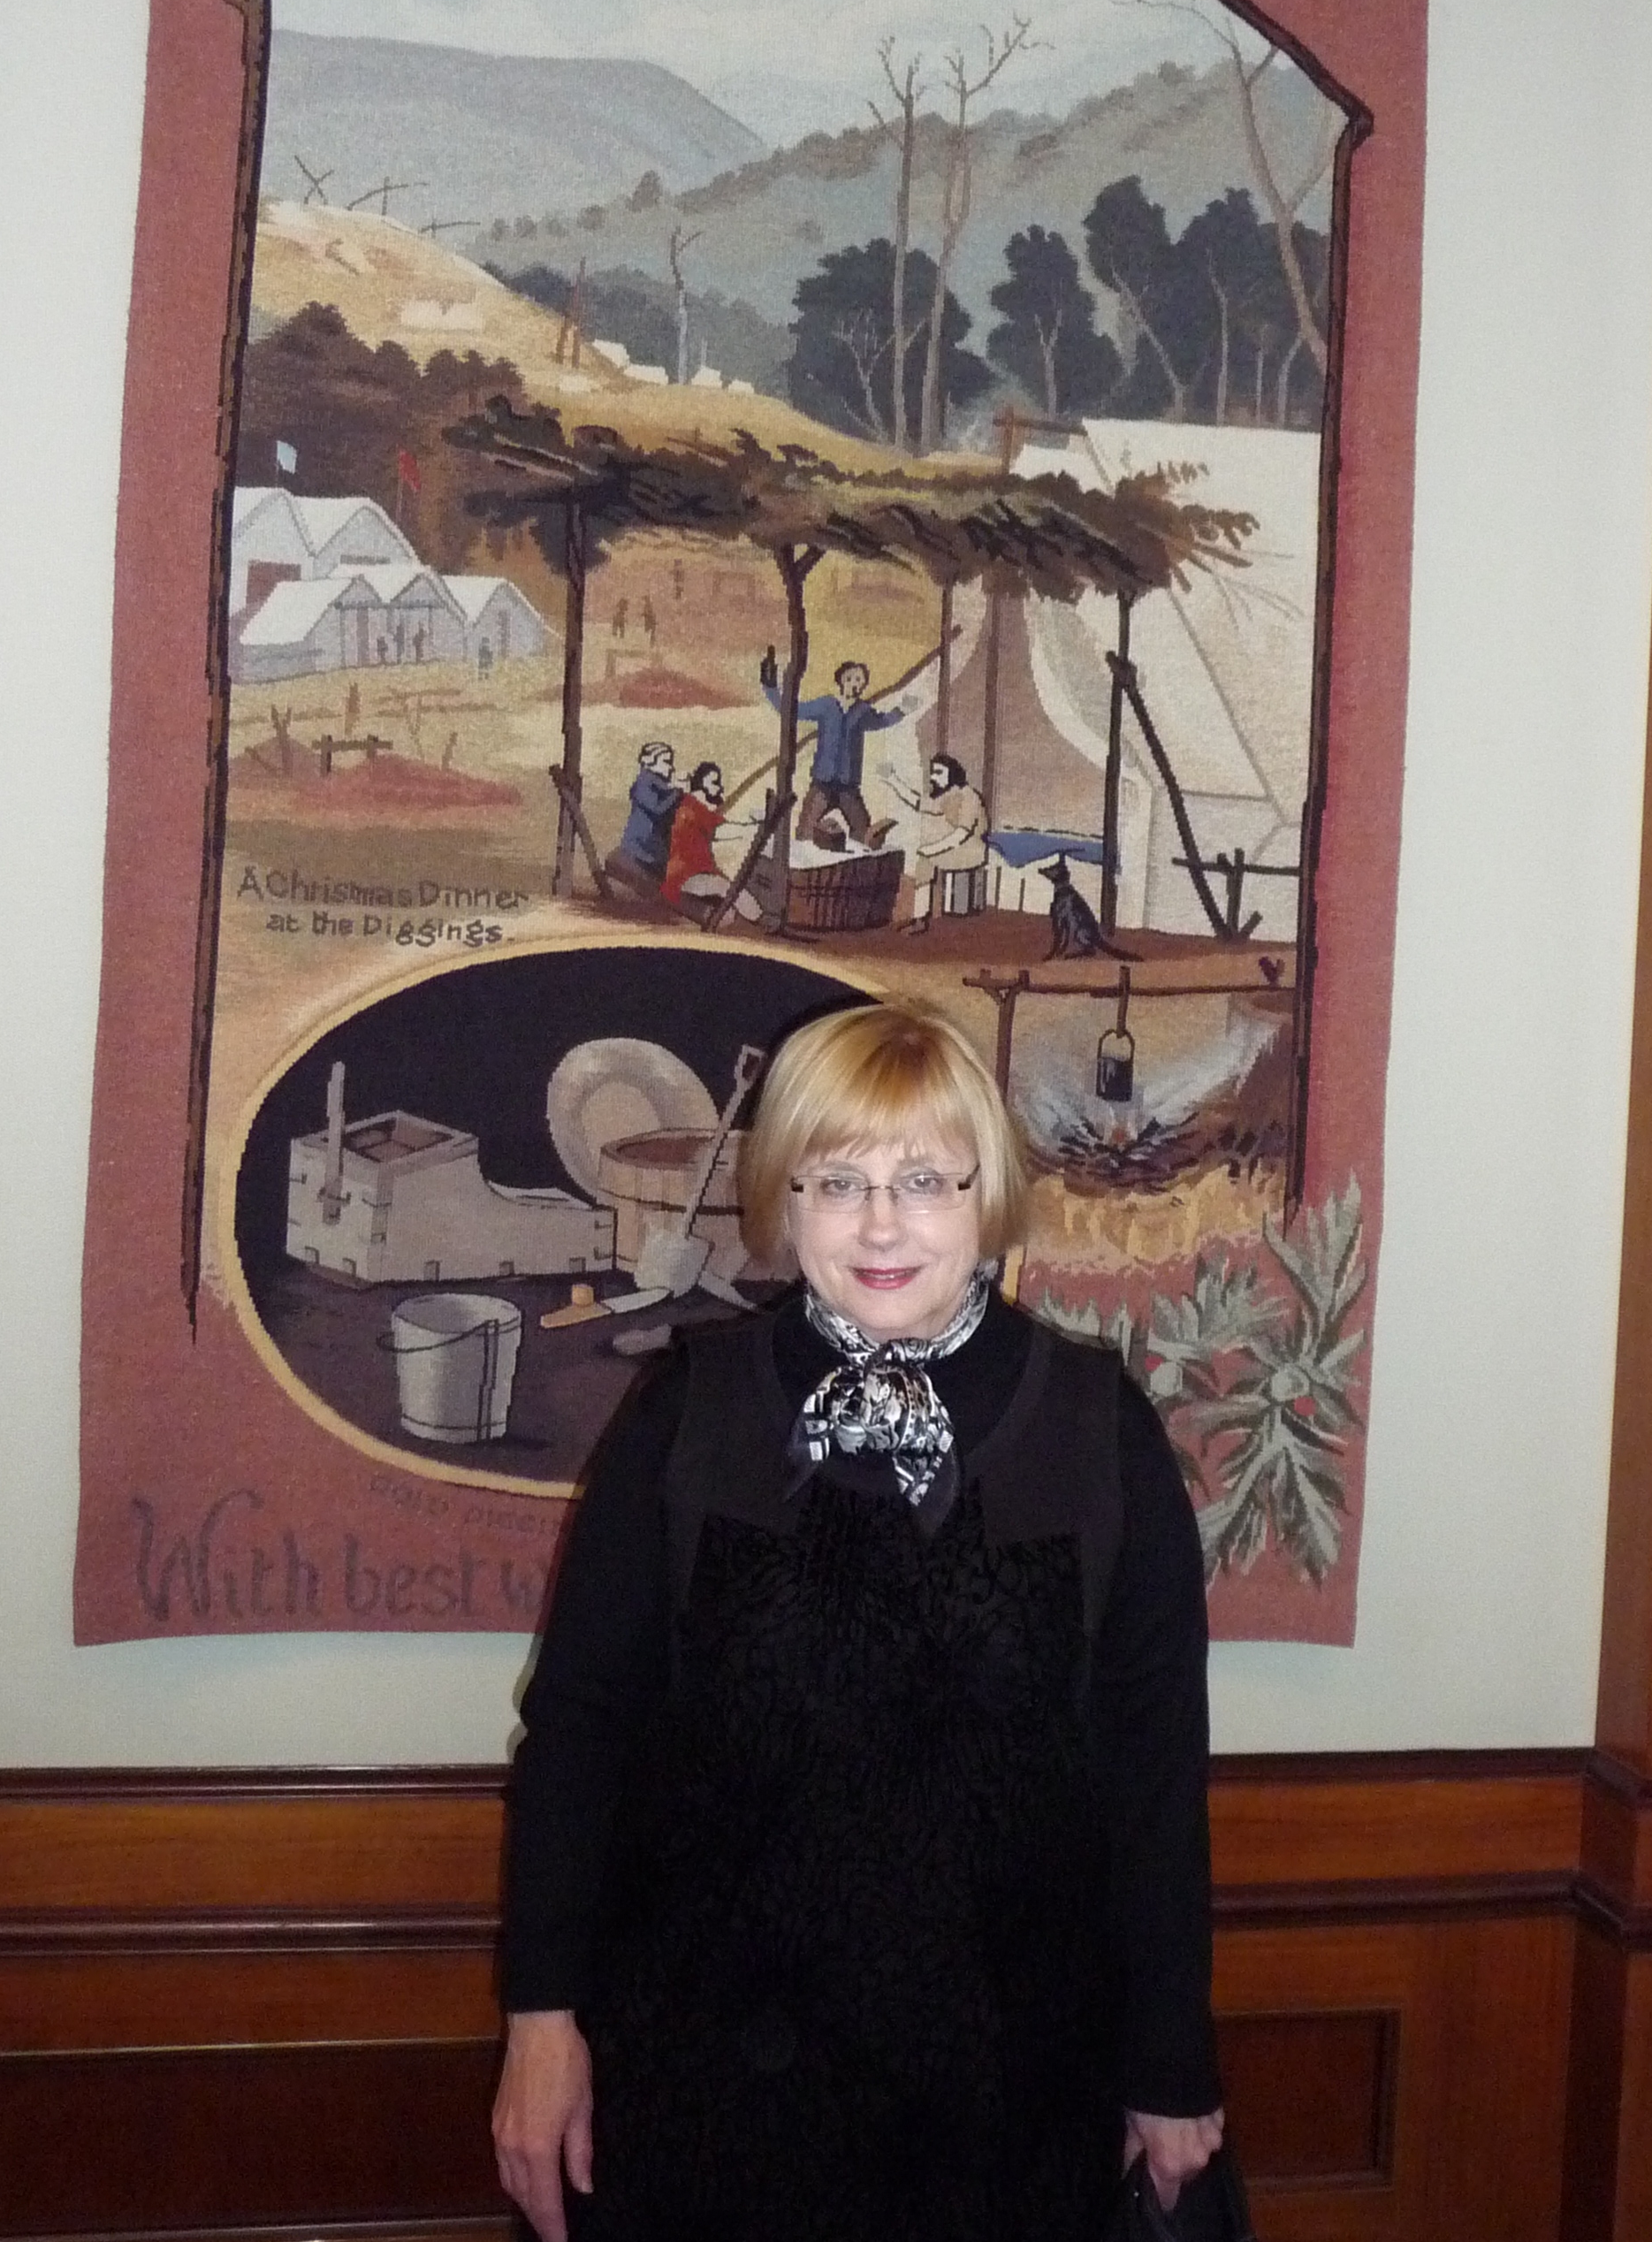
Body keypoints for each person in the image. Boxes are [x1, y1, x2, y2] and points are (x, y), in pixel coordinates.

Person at [493, 998, 1225, 2242]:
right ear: (785, 1199)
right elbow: (578, 1735)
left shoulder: (1096, 1433)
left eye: (923, 1179)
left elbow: (1154, 1777)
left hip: (1010, 2097)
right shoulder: (689, 1414)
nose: (881, 1222)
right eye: (838, 1180)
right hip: (704, 2092)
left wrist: (1169, 2065)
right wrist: (539, 2019)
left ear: (984, 1196)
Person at [761, 652, 904, 848]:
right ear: (841, 680)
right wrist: (770, 688)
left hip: (848, 786)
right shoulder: (826, 705)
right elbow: (793, 710)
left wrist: (901, 711)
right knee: (805, 833)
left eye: (859, 680)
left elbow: (882, 721)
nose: (854, 684)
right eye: (850, 678)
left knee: (863, 832)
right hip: (822, 784)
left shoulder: (862, 711)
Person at [889, 750, 991, 931]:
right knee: (925, 859)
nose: (933, 777)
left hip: (969, 848)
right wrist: (892, 779)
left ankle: (920, 919)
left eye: (938, 772)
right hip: (953, 847)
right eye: (933, 772)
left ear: (952, 773)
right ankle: (920, 917)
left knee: (925, 859)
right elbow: (919, 803)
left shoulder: (968, 796)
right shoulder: (946, 794)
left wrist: (932, 849)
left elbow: (962, 834)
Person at [661, 759, 762, 924]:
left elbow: (721, 826)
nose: (719, 788)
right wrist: (754, 828)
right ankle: (762, 920)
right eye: (714, 783)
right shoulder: (692, 808)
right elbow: (723, 829)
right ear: (701, 785)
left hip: (693, 875)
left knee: (728, 904)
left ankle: (757, 918)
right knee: (728, 888)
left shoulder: (694, 807)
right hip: (685, 877)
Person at [605, 740, 681, 896]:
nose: (671, 767)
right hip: (640, 849)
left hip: (653, 850)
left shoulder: (661, 786)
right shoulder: (643, 783)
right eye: (666, 762)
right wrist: (677, 792)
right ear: (648, 762)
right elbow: (657, 809)